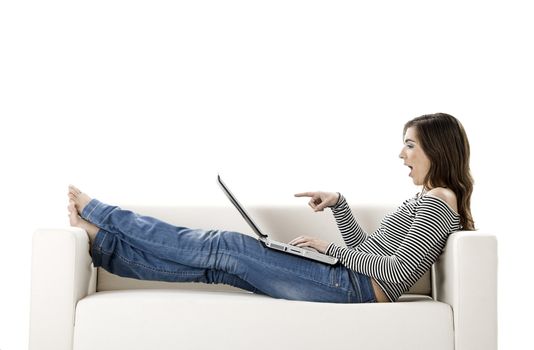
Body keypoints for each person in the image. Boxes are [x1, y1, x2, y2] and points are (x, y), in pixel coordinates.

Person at [67, 112, 474, 303]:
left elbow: (395, 274)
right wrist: (340, 207)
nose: (401, 155)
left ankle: (102, 214)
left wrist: (326, 248)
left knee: (224, 245)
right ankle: (104, 245)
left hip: (350, 287)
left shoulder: (440, 203)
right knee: (215, 266)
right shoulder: (426, 199)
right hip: (349, 281)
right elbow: (374, 255)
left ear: (436, 149)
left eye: (409, 144)